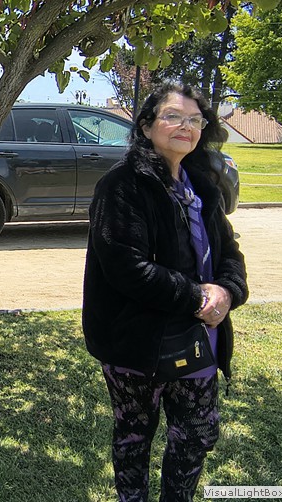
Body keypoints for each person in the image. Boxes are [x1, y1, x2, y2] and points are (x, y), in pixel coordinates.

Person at [82, 82, 248, 501]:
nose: (185, 126)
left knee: (196, 434)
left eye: (195, 119)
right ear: (146, 126)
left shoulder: (202, 186)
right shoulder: (122, 185)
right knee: (134, 437)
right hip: (136, 342)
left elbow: (229, 252)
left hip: (198, 338)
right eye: (173, 116)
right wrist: (197, 297)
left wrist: (227, 292)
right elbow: (126, 268)